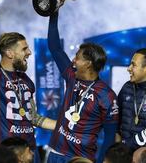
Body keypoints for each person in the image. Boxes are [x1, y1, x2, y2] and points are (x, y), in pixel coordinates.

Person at [0, 5, 56, 158]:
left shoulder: (26, 81)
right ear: (9, 53)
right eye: (24, 49)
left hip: (29, 152)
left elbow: (34, 118)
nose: (29, 53)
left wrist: (62, 126)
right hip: (4, 154)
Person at [46, 12, 119, 163]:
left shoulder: (107, 96)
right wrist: (54, 14)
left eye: (77, 57)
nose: (73, 60)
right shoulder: (72, 76)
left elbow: (110, 137)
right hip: (56, 153)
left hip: (81, 159)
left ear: (88, 63)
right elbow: (55, 49)